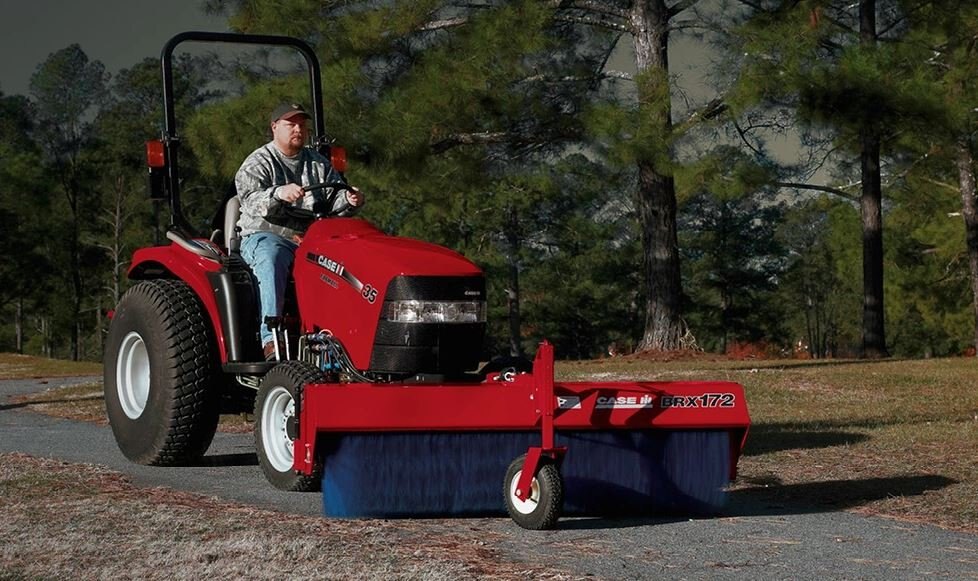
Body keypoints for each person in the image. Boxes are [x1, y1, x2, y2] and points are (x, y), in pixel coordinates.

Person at [235, 102, 364, 360]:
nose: (298, 129)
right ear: (274, 127)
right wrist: (278, 193)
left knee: (350, 259)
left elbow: (334, 198)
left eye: (302, 125)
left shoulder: (318, 164)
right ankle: (271, 338)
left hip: (310, 239)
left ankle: (344, 338)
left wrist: (349, 200)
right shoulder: (258, 162)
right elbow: (249, 199)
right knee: (272, 257)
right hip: (264, 236)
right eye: (291, 124)